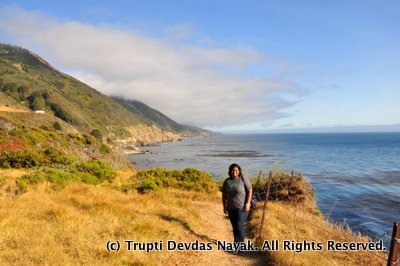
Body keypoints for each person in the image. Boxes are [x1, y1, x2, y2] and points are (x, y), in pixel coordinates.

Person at [222, 163, 253, 247]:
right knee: (235, 226)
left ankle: (240, 245)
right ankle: (236, 243)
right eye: (233, 170)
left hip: (241, 207)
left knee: (239, 225)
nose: (234, 172)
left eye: (236, 170)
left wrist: (248, 203)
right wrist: (224, 207)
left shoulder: (243, 179)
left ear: (239, 171)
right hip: (231, 207)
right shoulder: (227, 181)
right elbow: (224, 195)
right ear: (230, 171)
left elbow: (250, 190)